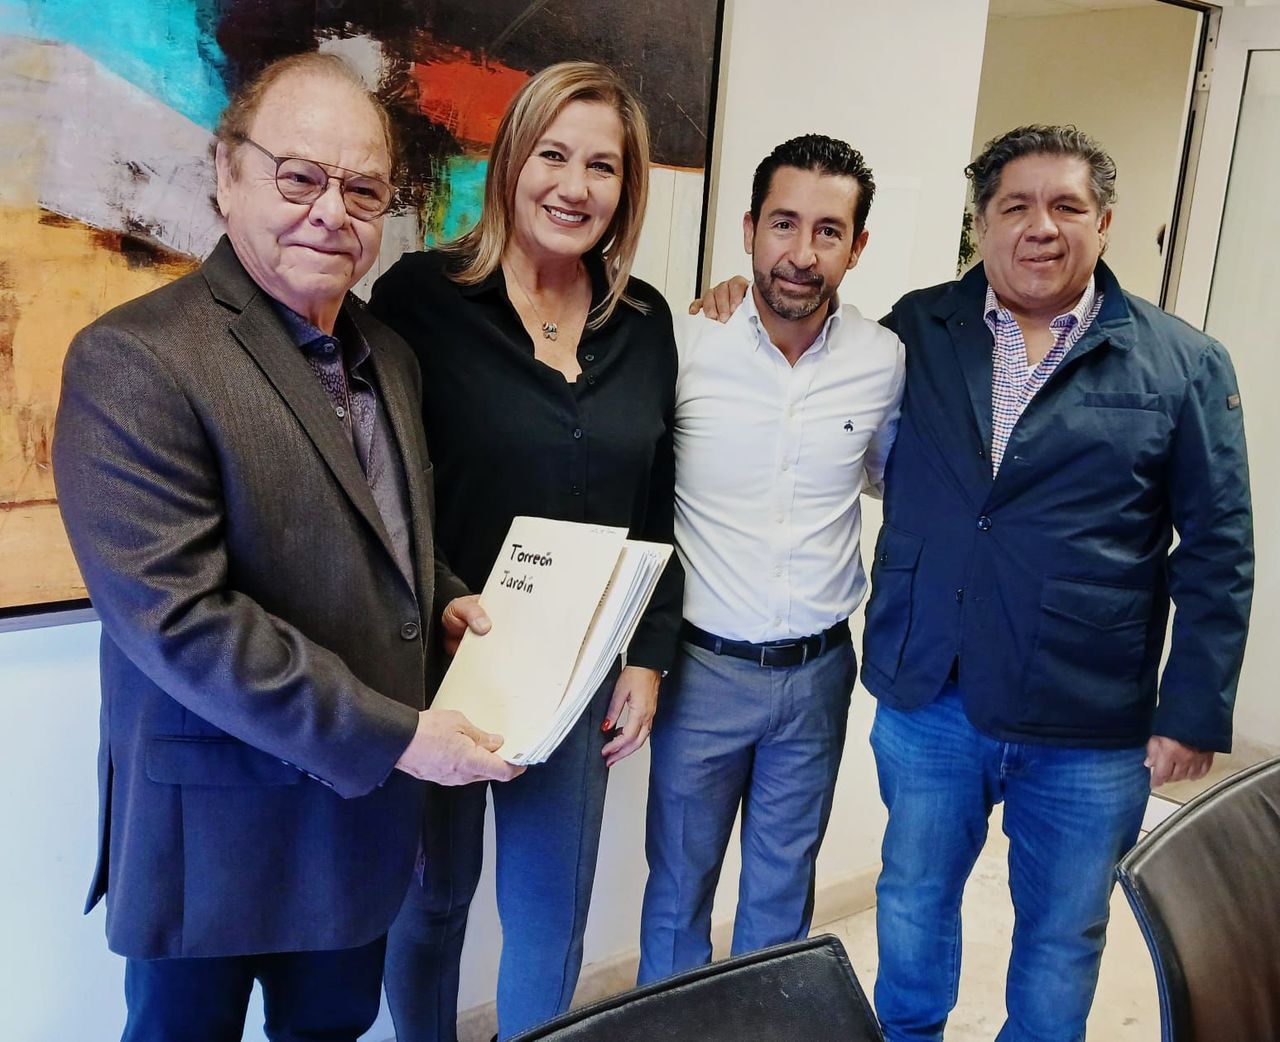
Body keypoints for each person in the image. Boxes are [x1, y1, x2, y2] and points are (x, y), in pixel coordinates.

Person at [694, 123, 1253, 1040]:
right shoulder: (918, 329)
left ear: (1105, 223)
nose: (1041, 227)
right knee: (912, 902)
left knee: (1063, 936)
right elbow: (810, 334)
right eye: (1015, 206)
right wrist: (731, 301)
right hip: (933, 696)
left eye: (1066, 206)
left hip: (1088, 716)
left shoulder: (1182, 364)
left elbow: (1219, 546)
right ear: (982, 222)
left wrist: (1192, 711)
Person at [52, 52, 520, 1042]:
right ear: (227, 173)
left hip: (352, 828)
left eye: (363, 190)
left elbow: (380, 529)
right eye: (299, 177)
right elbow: (181, 620)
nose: (331, 213)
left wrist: (439, 590)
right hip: (211, 835)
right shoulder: (134, 357)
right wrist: (398, 736)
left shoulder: (389, 357)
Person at [368, 62, 683, 1041]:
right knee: (431, 902)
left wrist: (647, 653)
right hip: (441, 666)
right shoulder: (422, 297)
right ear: (511, 160)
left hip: (576, 674)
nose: (573, 185)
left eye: (602, 166)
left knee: (550, 919)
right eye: (552, 154)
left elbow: (657, 498)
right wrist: (436, 596)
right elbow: (379, 483)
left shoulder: (644, 322)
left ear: (626, 187)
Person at [636, 134, 905, 985]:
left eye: (829, 231)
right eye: (784, 224)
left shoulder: (883, 361)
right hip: (700, 672)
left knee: (783, 901)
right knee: (677, 893)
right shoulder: (686, 344)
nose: (801, 253)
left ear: (857, 246)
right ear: (750, 229)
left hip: (818, 674)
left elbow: (889, 478)